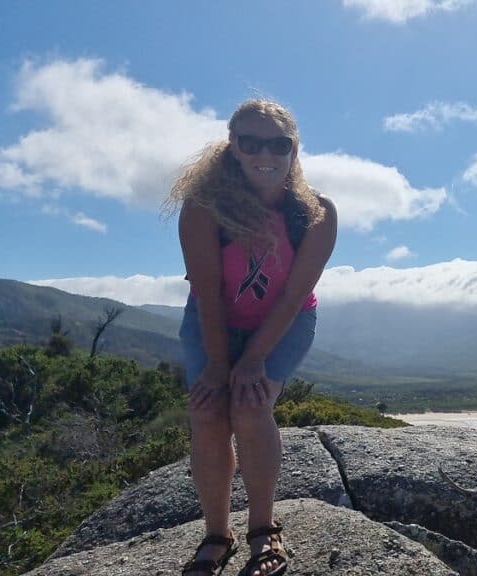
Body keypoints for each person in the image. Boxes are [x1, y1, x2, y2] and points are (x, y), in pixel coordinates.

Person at [165, 99, 337, 576]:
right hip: (212, 319)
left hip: (285, 322)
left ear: (294, 150)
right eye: (251, 142)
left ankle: (264, 527)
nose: (266, 153)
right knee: (207, 412)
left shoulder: (315, 213)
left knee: (250, 403)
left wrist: (255, 358)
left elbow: (294, 296)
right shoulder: (204, 209)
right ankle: (217, 535)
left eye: (278, 144)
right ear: (233, 148)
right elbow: (208, 294)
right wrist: (220, 364)